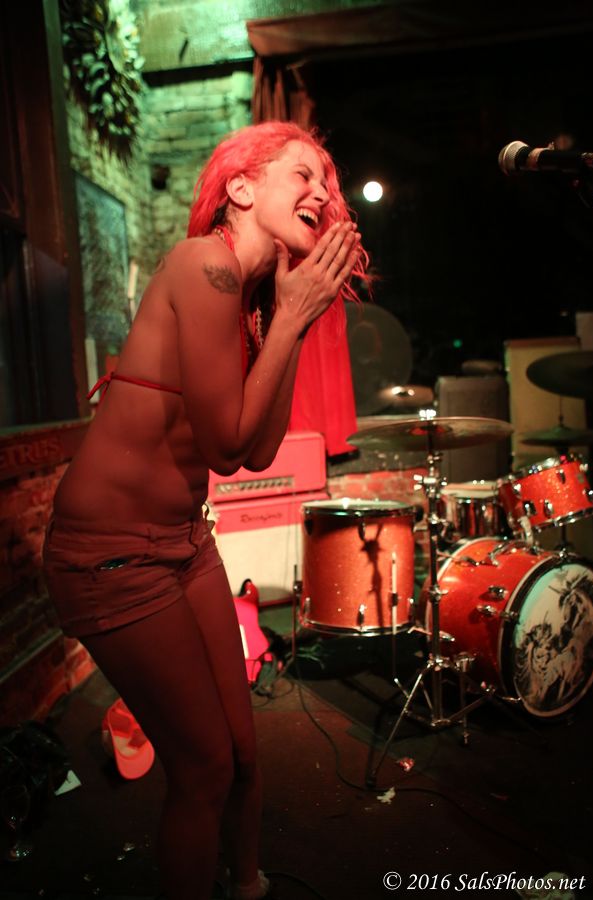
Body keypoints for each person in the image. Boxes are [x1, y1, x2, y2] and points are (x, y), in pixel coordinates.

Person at [43, 120, 368, 900]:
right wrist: (292, 316)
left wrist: (292, 320)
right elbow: (226, 447)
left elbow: (257, 451)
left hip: (182, 541)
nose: (322, 193)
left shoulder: (251, 304)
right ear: (241, 189)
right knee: (205, 765)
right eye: (303, 173)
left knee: (243, 750)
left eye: (326, 182)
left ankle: (247, 884)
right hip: (110, 556)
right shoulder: (204, 265)